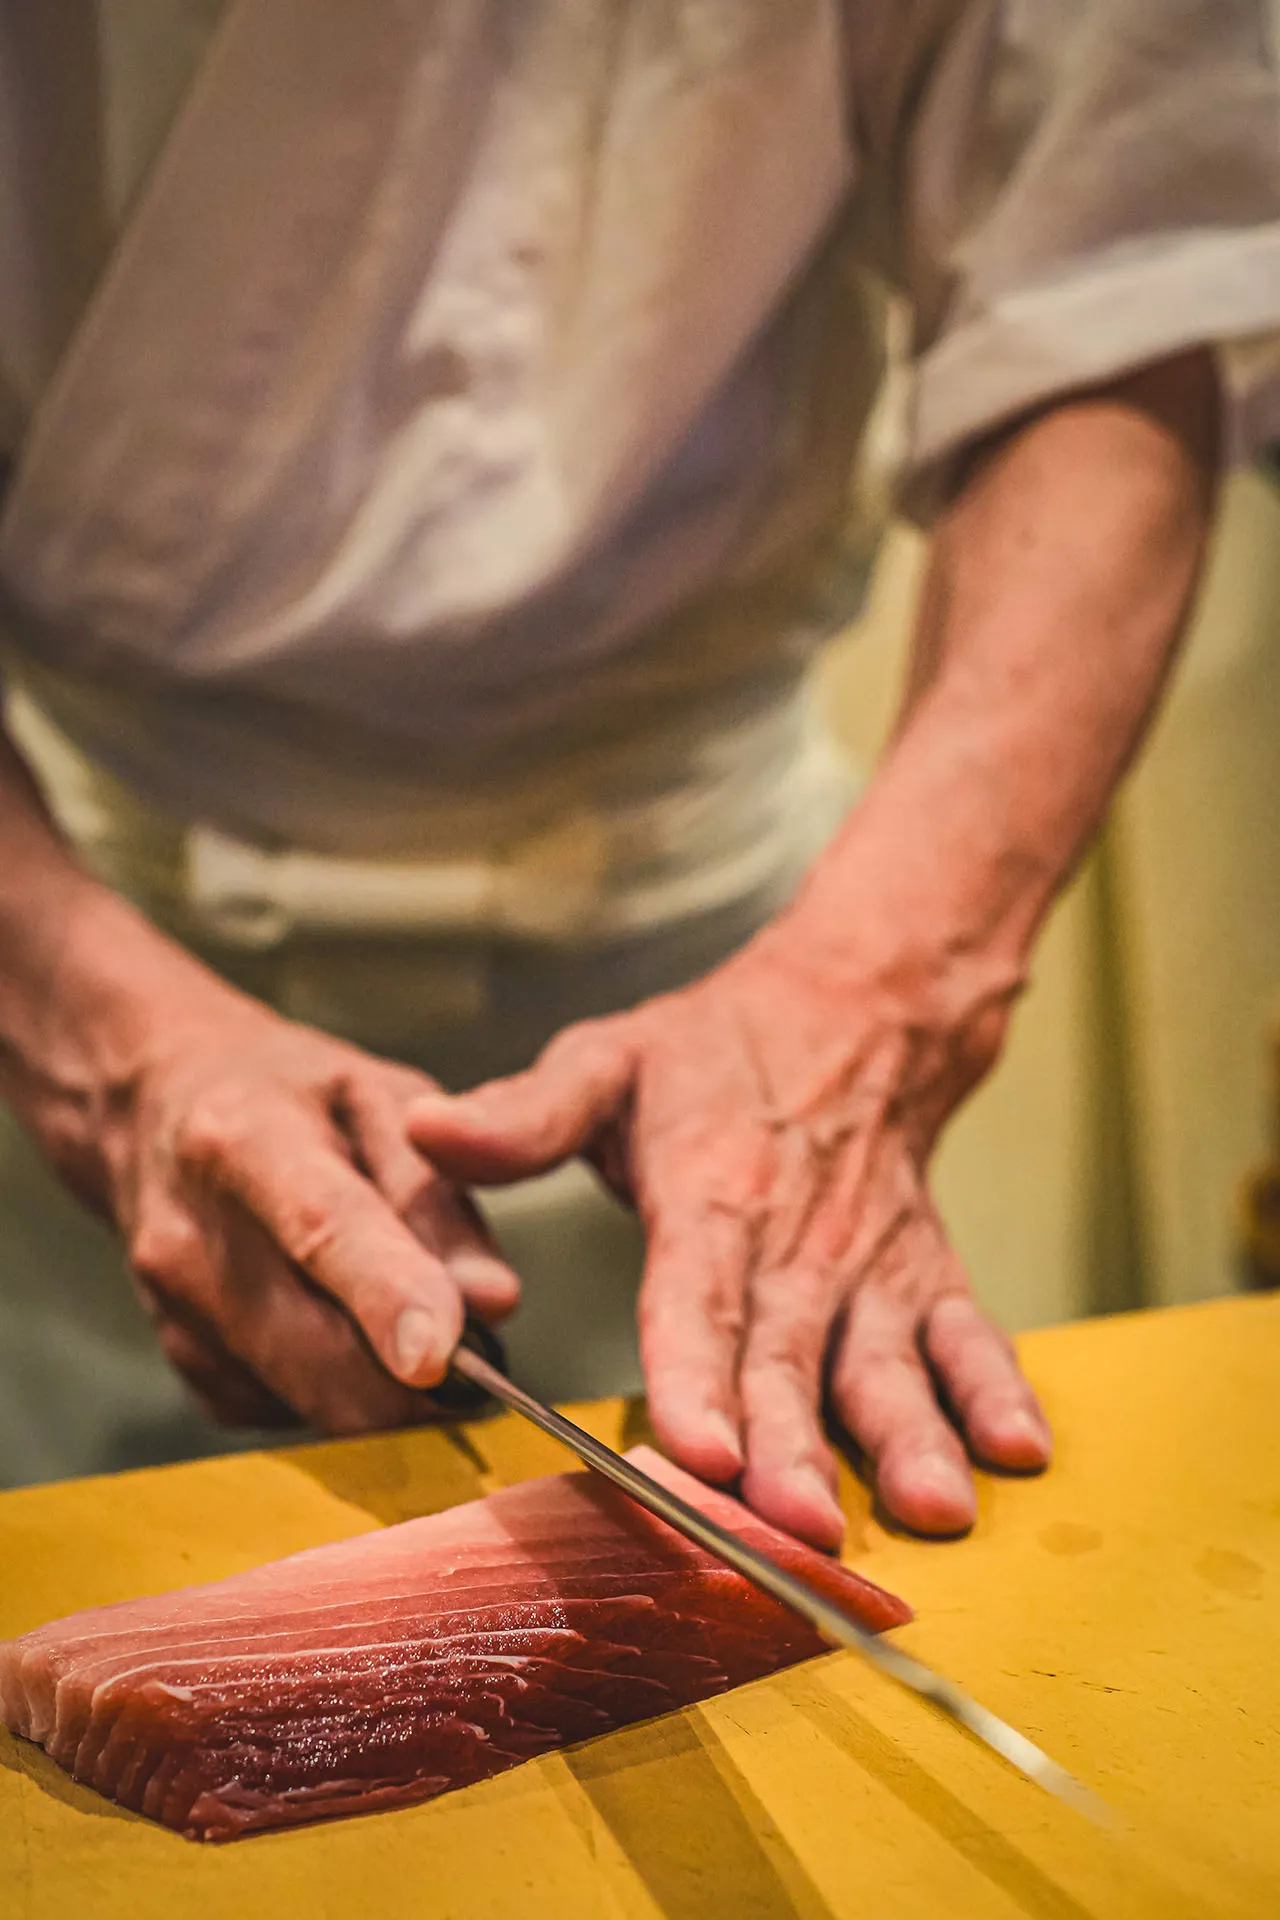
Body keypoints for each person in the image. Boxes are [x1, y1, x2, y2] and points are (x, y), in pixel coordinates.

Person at [0, 2, 1277, 1543]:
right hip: (76, 973)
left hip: (740, 1017)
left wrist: (873, 993)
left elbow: (1109, 281)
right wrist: (101, 1040)